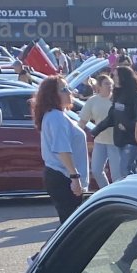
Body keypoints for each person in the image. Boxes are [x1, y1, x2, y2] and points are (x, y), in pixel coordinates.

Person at [33, 76, 88, 224]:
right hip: (63, 176)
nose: (69, 92)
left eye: (68, 88)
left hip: (59, 175)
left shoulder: (57, 115)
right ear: (52, 94)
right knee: (71, 226)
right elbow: (62, 150)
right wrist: (75, 177)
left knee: (70, 224)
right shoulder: (56, 117)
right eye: (64, 89)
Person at [80, 74, 116, 187]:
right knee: (96, 170)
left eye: (111, 84)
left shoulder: (117, 99)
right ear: (99, 86)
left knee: (117, 175)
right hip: (100, 141)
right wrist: (74, 134)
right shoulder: (93, 101)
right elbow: (82, 121)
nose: (109, 86)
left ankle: (119, 198)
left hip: (116, 142)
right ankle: (108, 193)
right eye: (106, 84)